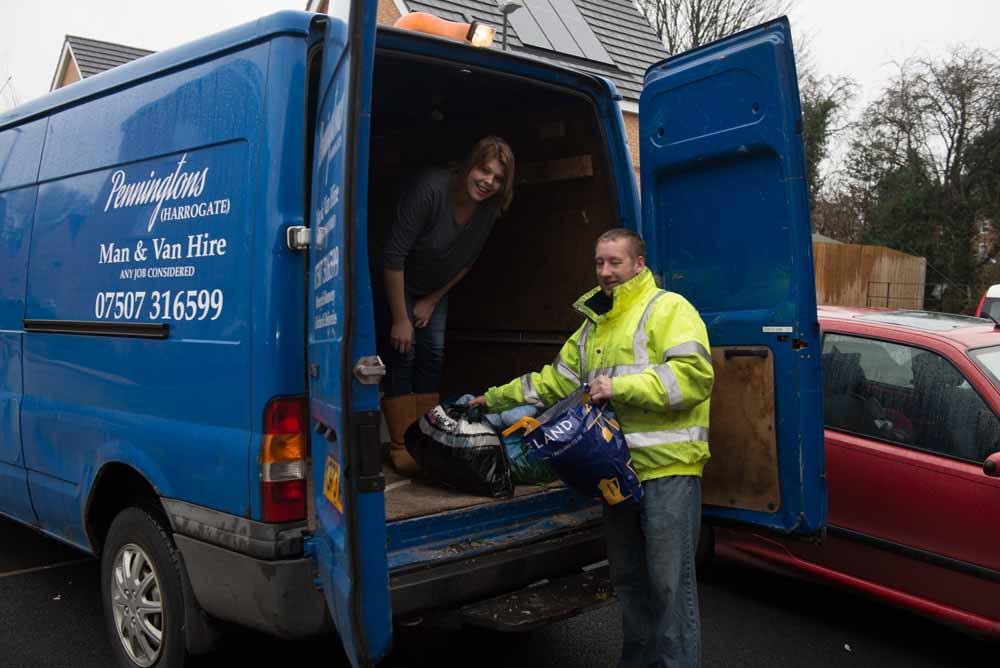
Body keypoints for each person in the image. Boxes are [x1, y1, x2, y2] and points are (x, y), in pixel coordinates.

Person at [470, 229, 713, 668]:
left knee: (669, 586)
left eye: (615, 262)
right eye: (600, 262)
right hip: (616, 475)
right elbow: (551, 382)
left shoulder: (670, 310)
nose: (605, 271)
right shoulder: (593, 327)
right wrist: (493, 398)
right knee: (629, 581)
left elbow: (695, 377)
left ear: (639, 264)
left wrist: (619, 387)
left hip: (667, 472)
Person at [379, 136, 515, 477]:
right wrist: (401, 318)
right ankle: (400, 444)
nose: (488, 182)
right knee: (403, 351)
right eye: (484, 171)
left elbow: (466, 262)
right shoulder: (430, 189)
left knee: (433, 353)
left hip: (433, 288)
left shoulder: (488, 209)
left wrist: (431, 300)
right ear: (470, 165)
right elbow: (392, 256)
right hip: (398, 278)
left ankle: (427, 438)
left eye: (498, 178)